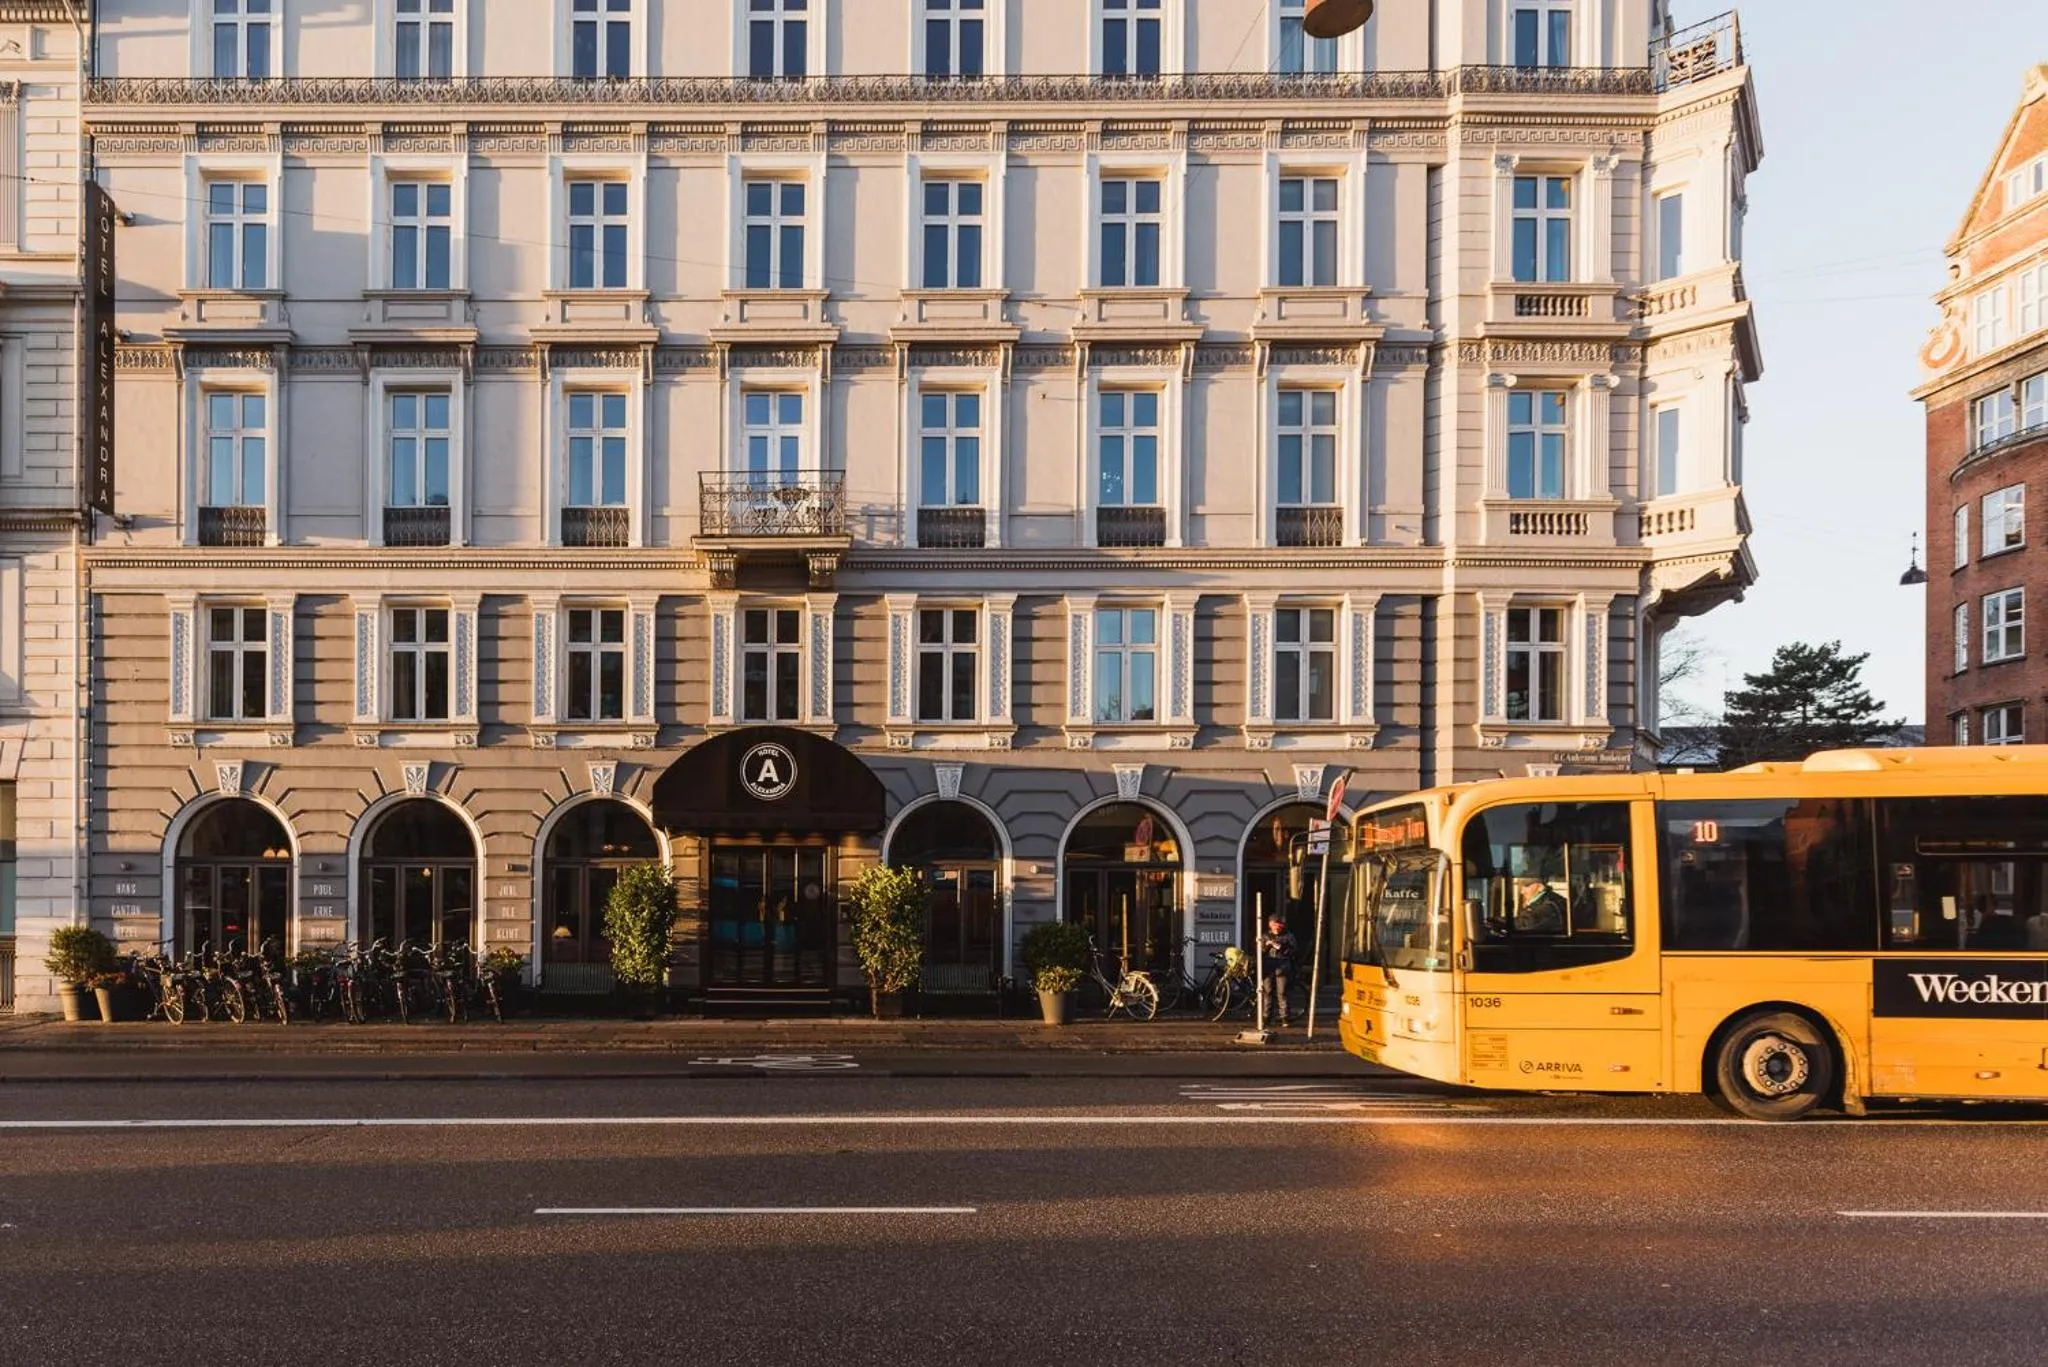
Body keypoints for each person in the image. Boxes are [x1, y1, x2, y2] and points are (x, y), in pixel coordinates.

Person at [1260, 911, 1299, 1026]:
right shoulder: (1265, 936)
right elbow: (1260, 951)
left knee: (1282, 992)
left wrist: (1281, 948)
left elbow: (1294, 950)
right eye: (1274, 925)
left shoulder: (1288, 936)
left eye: (1279, 926)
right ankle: (1266, 1016)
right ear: (1270, 925)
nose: (1276, 928)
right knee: (1267, 991)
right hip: (1268, 967)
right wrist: (1265, 946)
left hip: (1282, 966)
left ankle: (1285, 1017)